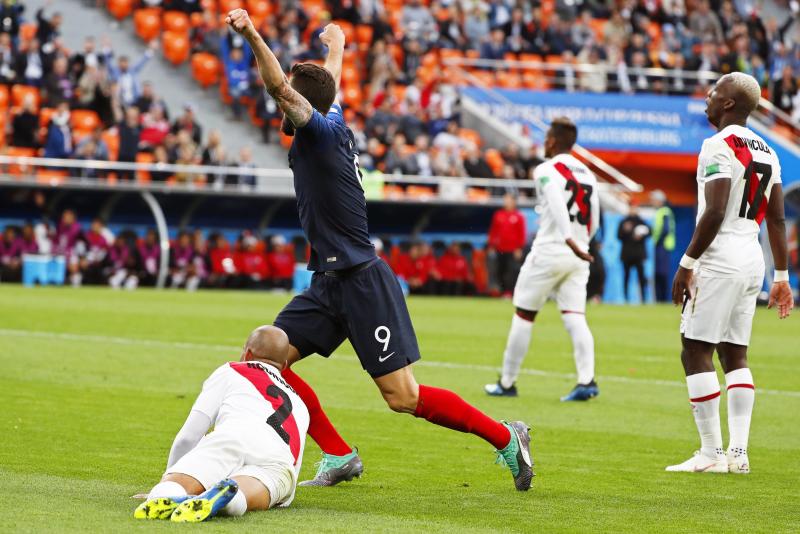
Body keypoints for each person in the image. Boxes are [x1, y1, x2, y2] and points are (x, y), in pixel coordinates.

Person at [226, 8, 533, 491]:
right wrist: (337, 44)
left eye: (289, 101)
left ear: (299, 106)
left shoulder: (320, 133)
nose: (281, 107)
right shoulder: (330, 115)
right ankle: (339, 454)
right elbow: (329, 86)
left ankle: (506, 437)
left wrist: (251, 34)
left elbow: (280, 88)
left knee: (402, 397)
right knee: (264, 356)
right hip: (328, 281)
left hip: (362, 280)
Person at [666, 73, 793, 474]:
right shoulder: (769, 152)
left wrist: (686, 264)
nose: (707, 96)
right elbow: (776, 219)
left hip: (719, 257)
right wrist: (782, 277)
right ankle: (739, 455)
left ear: (727, 104)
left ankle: (710, 453)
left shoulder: (717, 145)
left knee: (695, 348)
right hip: (751, 255)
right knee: (735, 353)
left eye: (714, 91)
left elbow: (716, 211)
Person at [134, 325, 310, 522]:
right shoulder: (301, 405)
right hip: (276, 459)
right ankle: (227, 498)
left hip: (231, 438)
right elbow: (293, 464)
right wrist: (280, 495)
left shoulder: (232, 370)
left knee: (173, 485)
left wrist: (171, 475)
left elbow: (189, 436)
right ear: (285, 365)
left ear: (248, 353)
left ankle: (165, 494)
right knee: (244, 491)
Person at [485, 118, 599, 401]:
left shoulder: (546, 169)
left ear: (551, 141)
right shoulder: (587, 172)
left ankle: (507, 382)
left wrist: (567, 238)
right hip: (579, 255)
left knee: (524, 315)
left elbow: (556, 200)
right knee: (575, 317)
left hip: (551, 250)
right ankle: (587, 380)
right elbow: (595, 215)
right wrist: (581, 241)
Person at [487, 194, 526, 295]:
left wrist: (519, 248)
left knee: (512, 271)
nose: (506, 202)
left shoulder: (518, 216)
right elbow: (493, 231)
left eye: (508, 200)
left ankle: (510, 292)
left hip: (512, 249)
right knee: (500, 270)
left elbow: (521, 233)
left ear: (513, 202)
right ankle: (501, 290)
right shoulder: (498, 214)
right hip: (499, 248)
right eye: (505, 200)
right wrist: (491, 245)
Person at [617, 203, 650, 303]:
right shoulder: (624, 221)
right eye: (631, 208)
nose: (633, 210)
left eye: (635, 208)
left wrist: (641, 235)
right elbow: (618, 236)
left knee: (641, 277)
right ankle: (626, 298)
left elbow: (649, 233)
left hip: (639, 254)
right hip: (627, 254)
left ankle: (643, 298)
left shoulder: (642, 221)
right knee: (626, 277)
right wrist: (626, 231)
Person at [651, 190, 676, 303]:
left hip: (663, 246)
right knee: (659, 273)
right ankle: (660, 299)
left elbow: (665, 229)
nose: (652, 202)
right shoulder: (662, 211)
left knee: (661, 273)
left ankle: (662, 299)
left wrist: (657, 242)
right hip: (661, 245)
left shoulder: (664, 211)